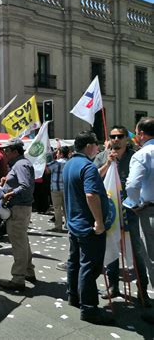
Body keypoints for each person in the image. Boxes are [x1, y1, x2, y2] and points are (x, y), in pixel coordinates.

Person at [93, 125, 150, 304]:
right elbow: (93, 178)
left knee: (138, 252)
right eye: (113, 136)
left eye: (120, 136)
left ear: (127, 138)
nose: (116, 139)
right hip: (111, 211)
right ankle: (113, 285)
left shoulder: (136, 155)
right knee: (112, 246)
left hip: (133, 212)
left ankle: (143, 291)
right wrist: (107, 164)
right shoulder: (102, 156)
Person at [63, 131, 114, 325]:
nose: (99, 148)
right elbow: (91, 194)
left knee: (75, 261)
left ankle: (73, 296)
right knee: (89, 267)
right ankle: (90, 309)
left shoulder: (71, 164)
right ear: (88, 146)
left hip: (74, 223)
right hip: (88, 226)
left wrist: (106, 165)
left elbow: (90, 177)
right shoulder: (87, 166)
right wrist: (99, 222)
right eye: (96, 144)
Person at [125, 117, 154, 324]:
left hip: (150, 211)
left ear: (141, 134)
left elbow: (132, 185)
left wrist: (134, 204)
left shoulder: (142, 155)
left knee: (152, 259)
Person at [0, 138, 36, 291]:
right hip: (21, 208)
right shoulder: (20, 164)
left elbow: (25, 186)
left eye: (6, 150)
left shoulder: (20, 165)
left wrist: (10, 193)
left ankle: (18, 279)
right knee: (22, 241)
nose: (4, 153)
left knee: (18, 243)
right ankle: (28, 271)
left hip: (18, 208)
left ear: (14, 151)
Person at [47, 146, 70, 232]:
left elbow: (47, 170)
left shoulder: (56, 163)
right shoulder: (70, 162)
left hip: (56, 188)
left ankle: (58, 226)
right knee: (66, 208)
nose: (56, 154)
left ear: (61, 154)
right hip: (66, 189)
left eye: (57, 152)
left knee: (57, 208)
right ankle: (68, 225)